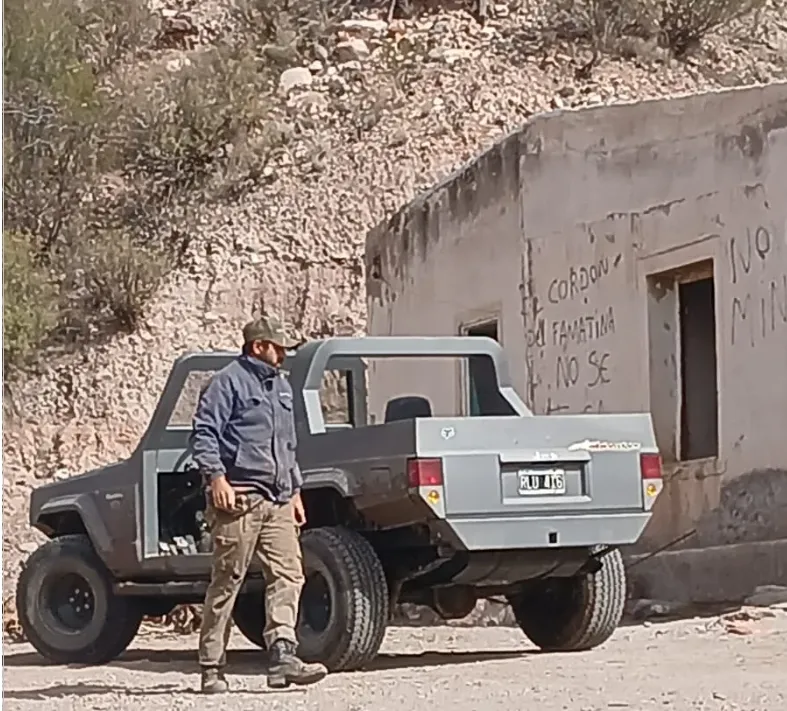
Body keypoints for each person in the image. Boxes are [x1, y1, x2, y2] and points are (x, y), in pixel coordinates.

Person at [191, 316, 327, 694]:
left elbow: (287, 444)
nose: (283, 354)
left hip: (278, 500)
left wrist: (294, 490)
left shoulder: (281, 386)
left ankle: (283, 656)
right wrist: (216, 478)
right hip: (239, 501)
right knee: (227, 581)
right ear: (258, 346)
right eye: (278, 347)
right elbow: (204, 433)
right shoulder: (226, 383)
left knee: (289, 574)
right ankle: (212, 666)